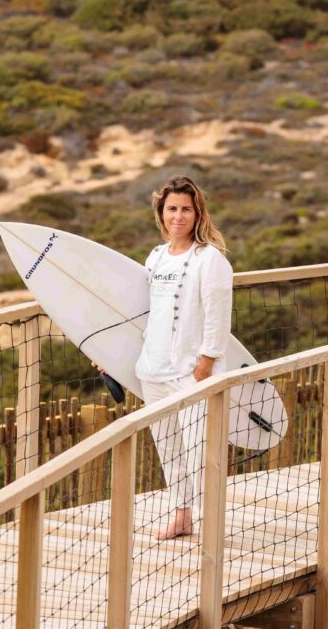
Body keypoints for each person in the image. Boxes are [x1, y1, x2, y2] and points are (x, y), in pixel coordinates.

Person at [135, 174, 233, 540]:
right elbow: (144, 314)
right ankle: (182, 514)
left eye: (185, 210)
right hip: (153, 371)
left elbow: (218, 315)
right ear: (161, 214)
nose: (178, 216)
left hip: (193, 373)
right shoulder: (156, 257)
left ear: (198, 214)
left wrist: (206, 363)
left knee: (200, 450)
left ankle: (210, 523)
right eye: (171, 209)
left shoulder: (211, 260)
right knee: (169, 448)